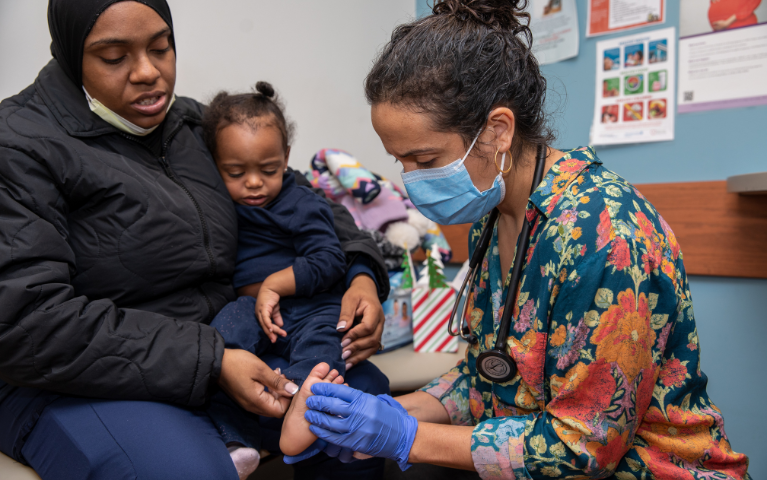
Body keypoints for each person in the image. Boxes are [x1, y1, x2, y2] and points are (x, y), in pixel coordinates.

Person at [297, 1, 752, 478]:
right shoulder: (492, 219)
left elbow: (584, 447)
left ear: (497, 130)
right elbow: (490, 376)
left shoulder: (607, 236)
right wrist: (382, 413)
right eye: (400, 162)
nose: (411, 182)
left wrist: (408, 437)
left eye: (426, 160)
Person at [0, 1, 390, 479]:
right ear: (70, 55)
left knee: (361, 407)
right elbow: (27, 323)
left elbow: (294, 194)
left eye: (161, 48)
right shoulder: (18, 145)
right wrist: (211, 361)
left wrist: (361, 273)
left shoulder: (188, 124)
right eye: (114, 57)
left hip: (227, 346)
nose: (148, 72)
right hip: (80, 382)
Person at [201, 81, 355, 458]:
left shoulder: (301, 202)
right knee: (219, 348)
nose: (254, 183)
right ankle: (234, 441)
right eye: (236, 172)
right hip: (251, 310)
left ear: (285, 158)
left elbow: (330, 259)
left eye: (268, 169)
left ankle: (299, 407)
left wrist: (275, 284)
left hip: (310, 307)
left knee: (322, 351)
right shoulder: (218, 203)